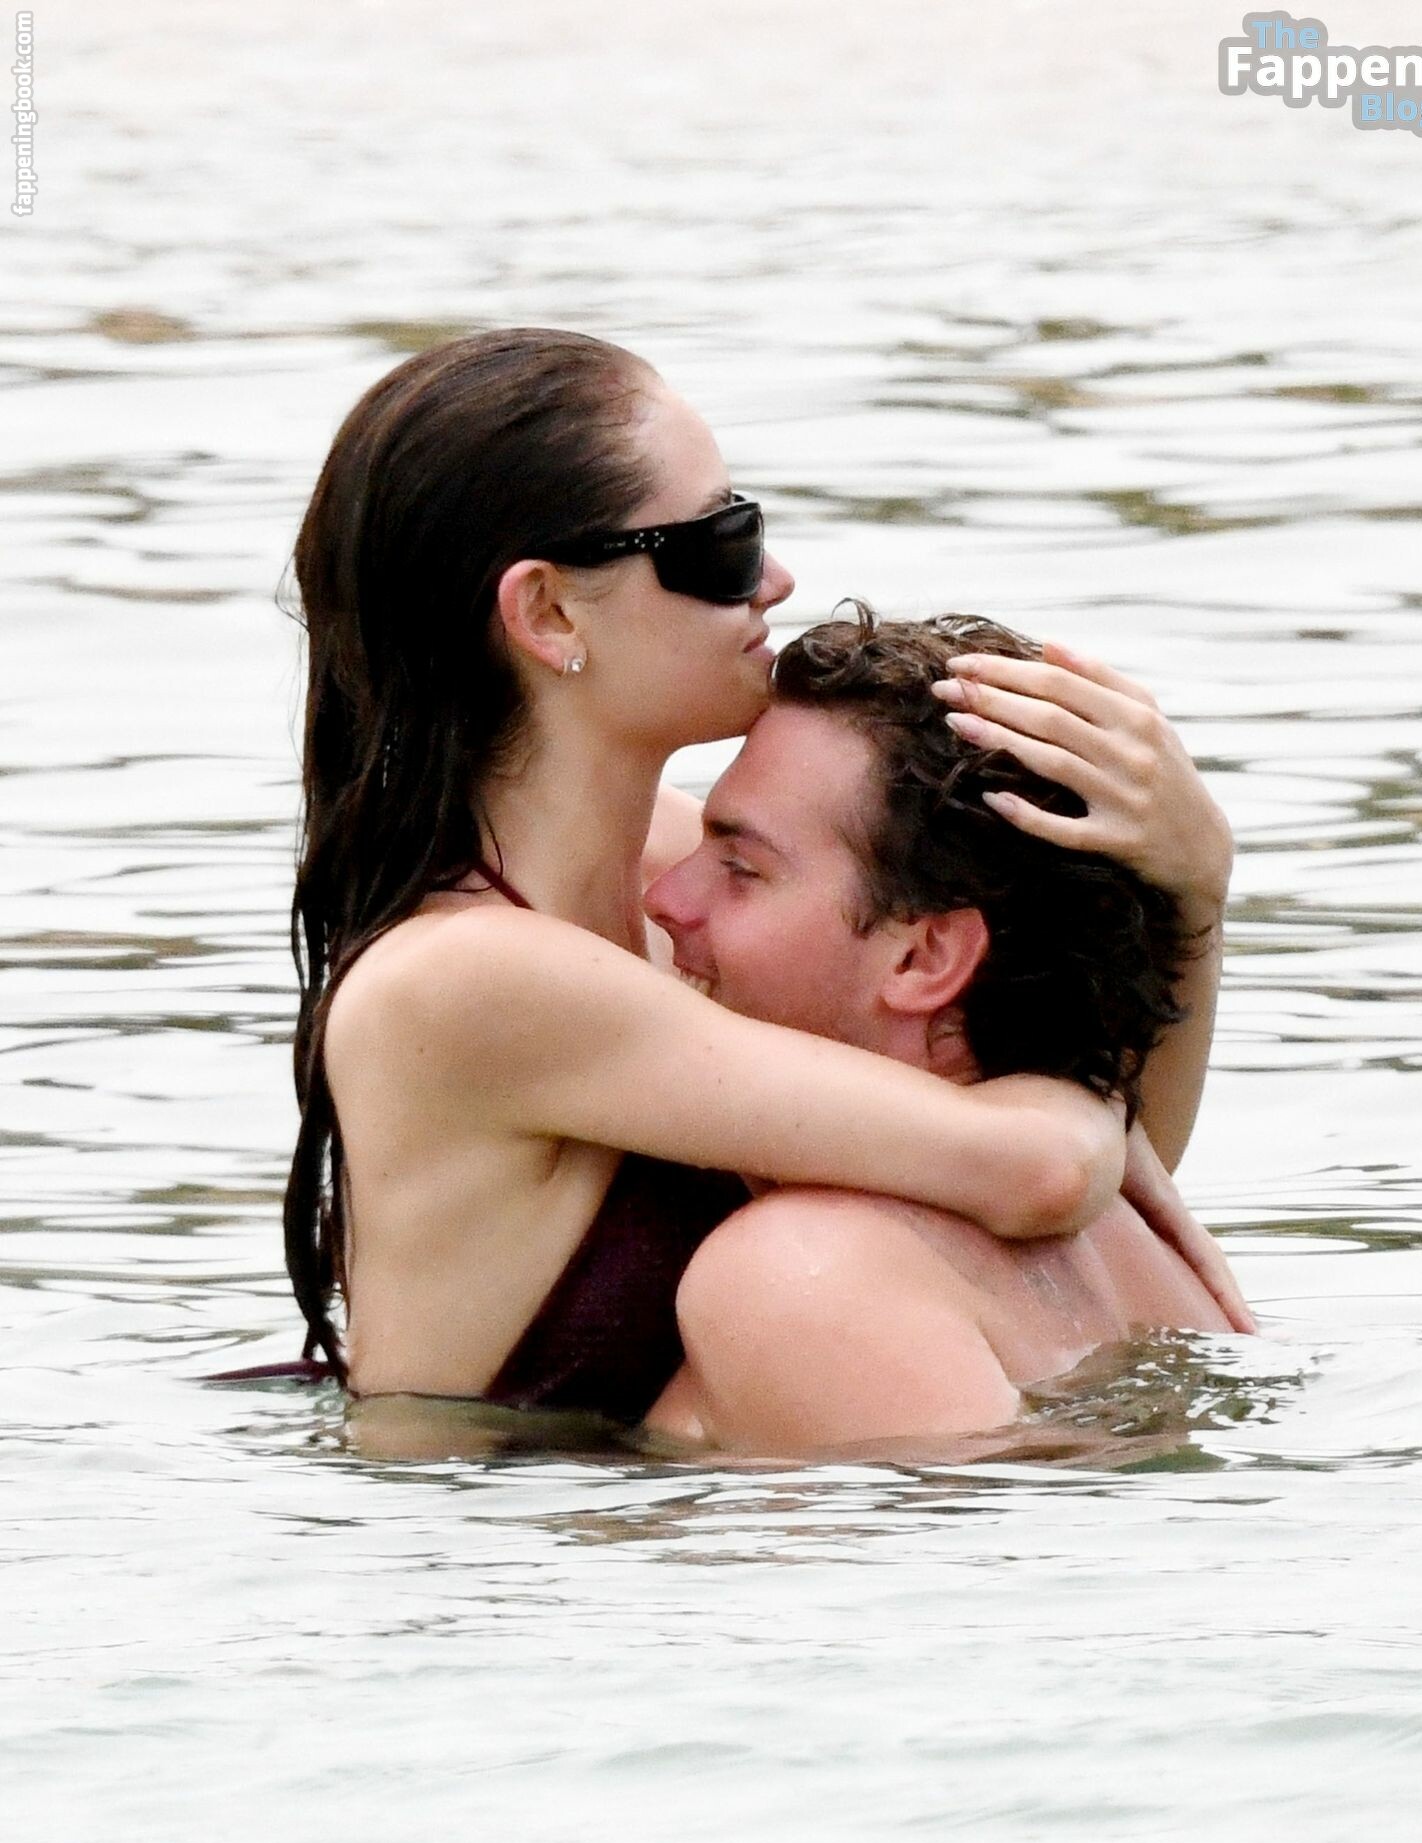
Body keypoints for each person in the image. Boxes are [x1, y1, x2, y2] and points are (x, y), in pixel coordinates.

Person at [281, 327, 1231, 1420]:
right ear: (548, 612)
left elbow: (1074, 1198)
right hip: (500, 1530)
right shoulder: (463, 979)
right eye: (721, 543)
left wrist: (1192, 888)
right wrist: (1096, 1090)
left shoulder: (686, 875)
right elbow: (1038, 1168)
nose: (775, 581)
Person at [641, 607, 1251, 1458]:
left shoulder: (806, 1271)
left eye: (742, 869)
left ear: (925, 957)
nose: (662, 898)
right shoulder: (1127, 1225)